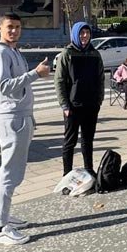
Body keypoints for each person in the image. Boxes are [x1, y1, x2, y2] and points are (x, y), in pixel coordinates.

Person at [0, 13, 50, 245]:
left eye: (18, 27)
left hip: (20, 116)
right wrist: (35, 74)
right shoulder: (0, 53)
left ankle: (2, 216)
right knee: (10, 173)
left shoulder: (12, 51)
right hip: (12, 118)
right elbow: (4, 87)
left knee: (13, 172)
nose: (14, 31)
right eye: (9, 27)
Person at [54, 21, 104, 176]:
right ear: (76, 34)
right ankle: (66, 174)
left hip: (91, 105)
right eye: (82, 33)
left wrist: (99, 100)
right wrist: (65, 105)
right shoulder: (67, 54)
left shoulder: (95, 53)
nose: (85, 36)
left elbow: (100, 78)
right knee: (70, 142)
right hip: (73, 106)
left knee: (88, 140)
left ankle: (89, 169)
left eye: (87, 33)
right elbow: (59, 81)